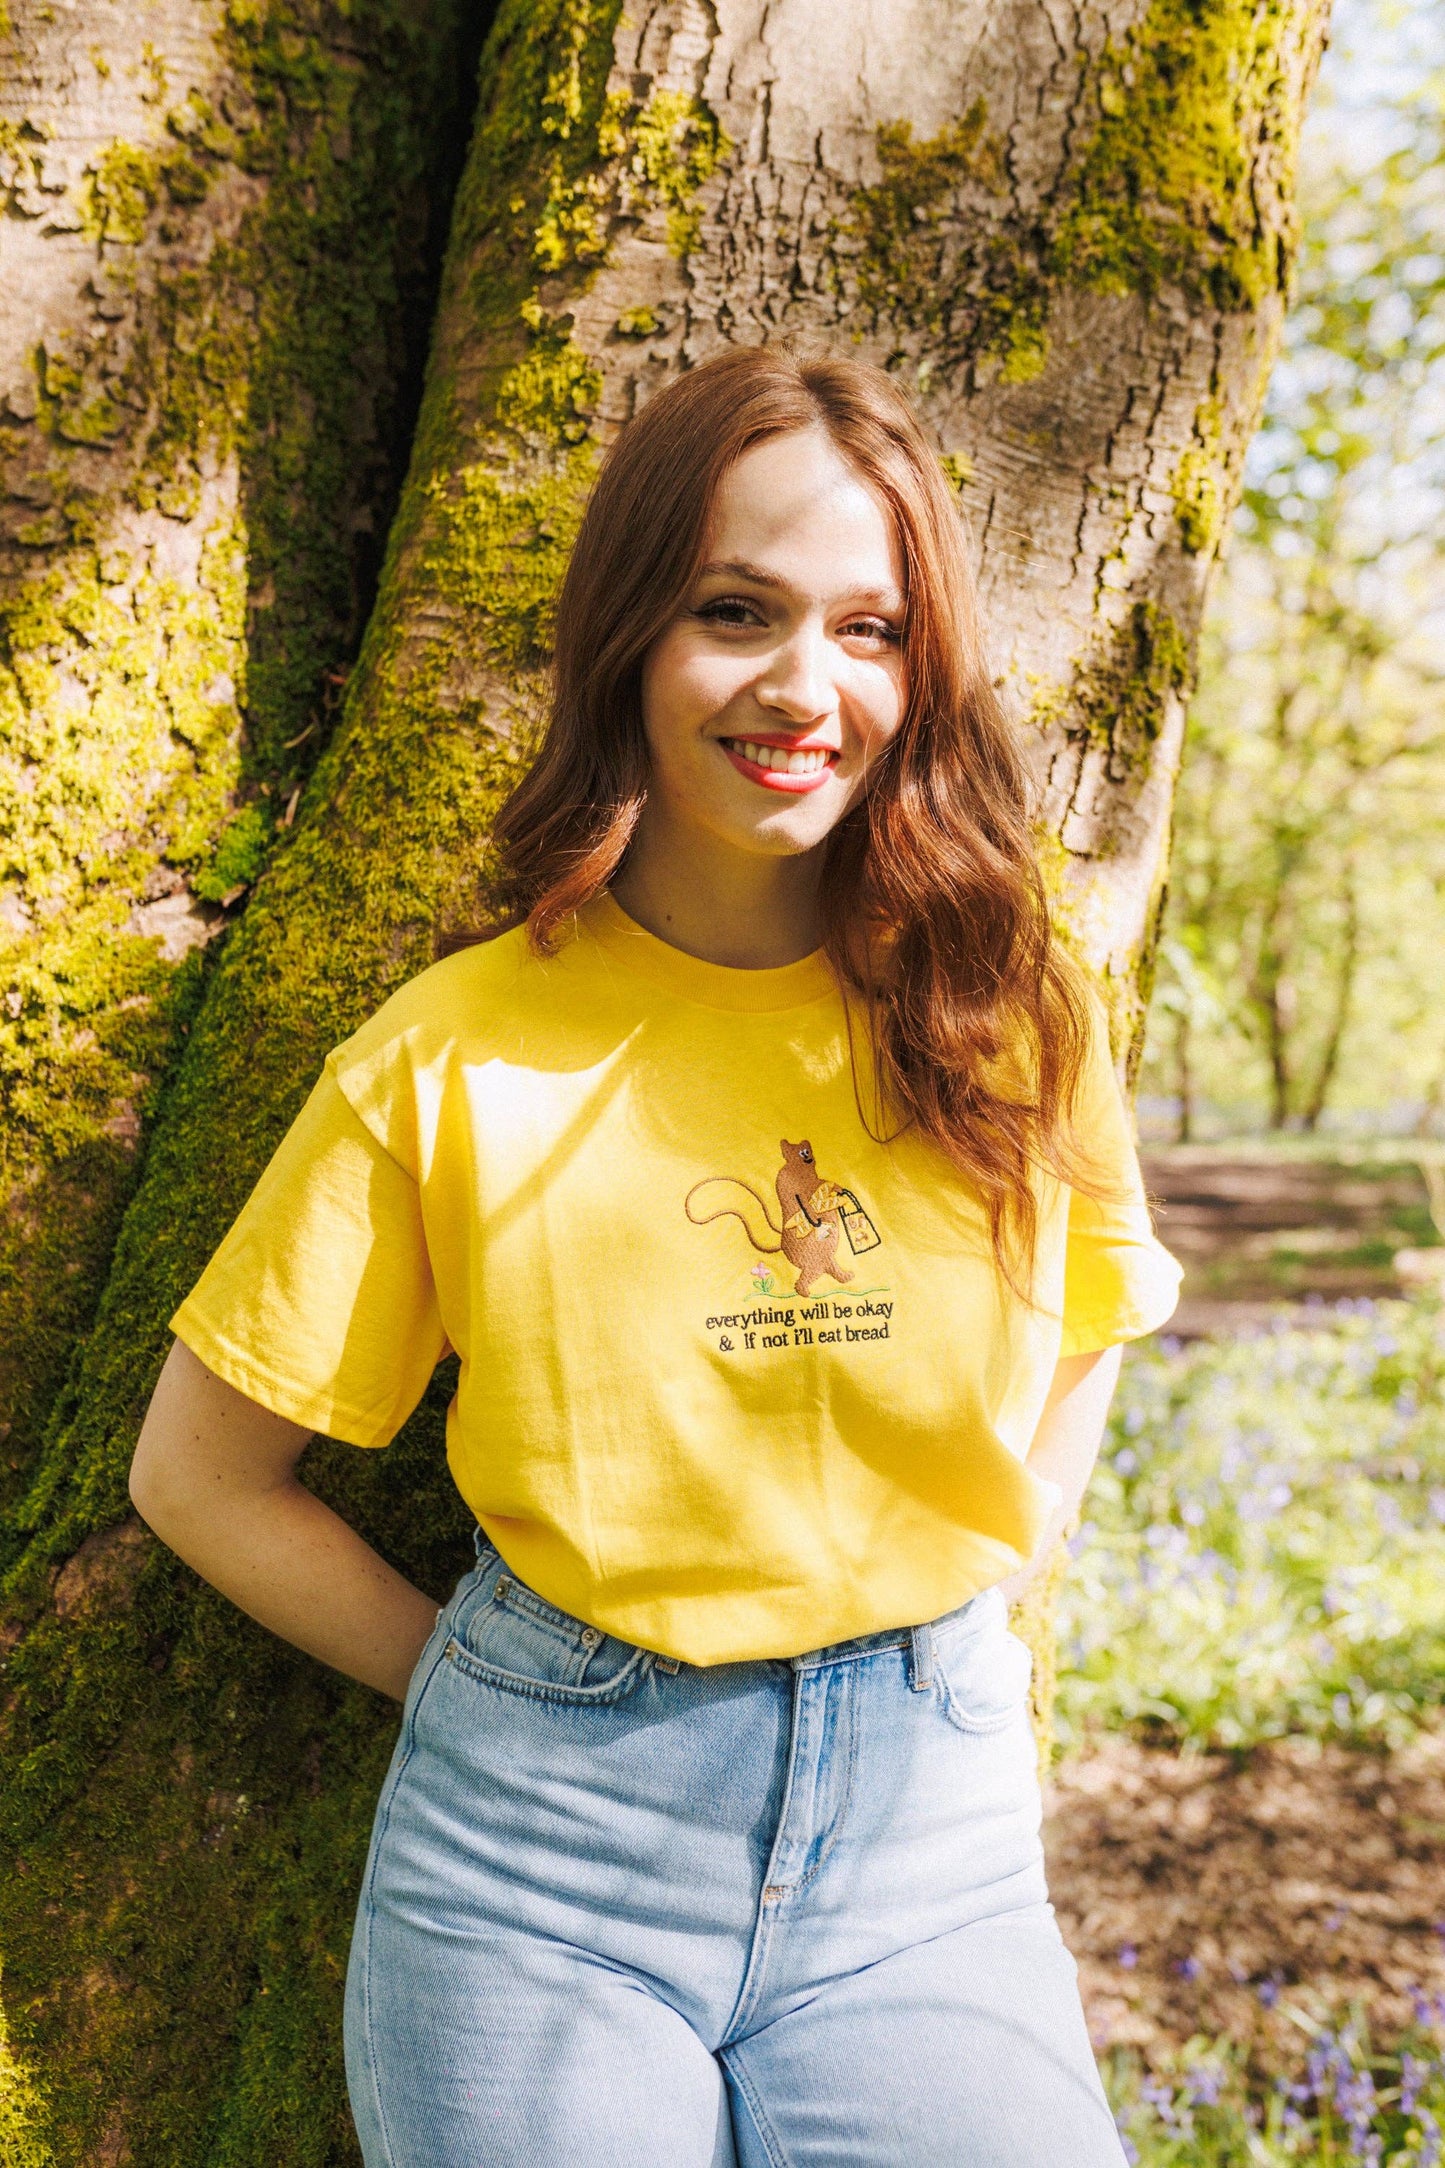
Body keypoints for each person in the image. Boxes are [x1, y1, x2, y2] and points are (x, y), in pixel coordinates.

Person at [130, 344, 1181, 2167]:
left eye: (869, 628)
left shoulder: (1007, 1010)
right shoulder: (454, 1055)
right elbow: (202, 1479)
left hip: (931, 1859)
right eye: (734, 610)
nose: (803, 685)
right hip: (542, 1866)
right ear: (629, 633)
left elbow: (1090, 1318)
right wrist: (500, 1701)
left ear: (923, 673)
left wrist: (986, 1606)